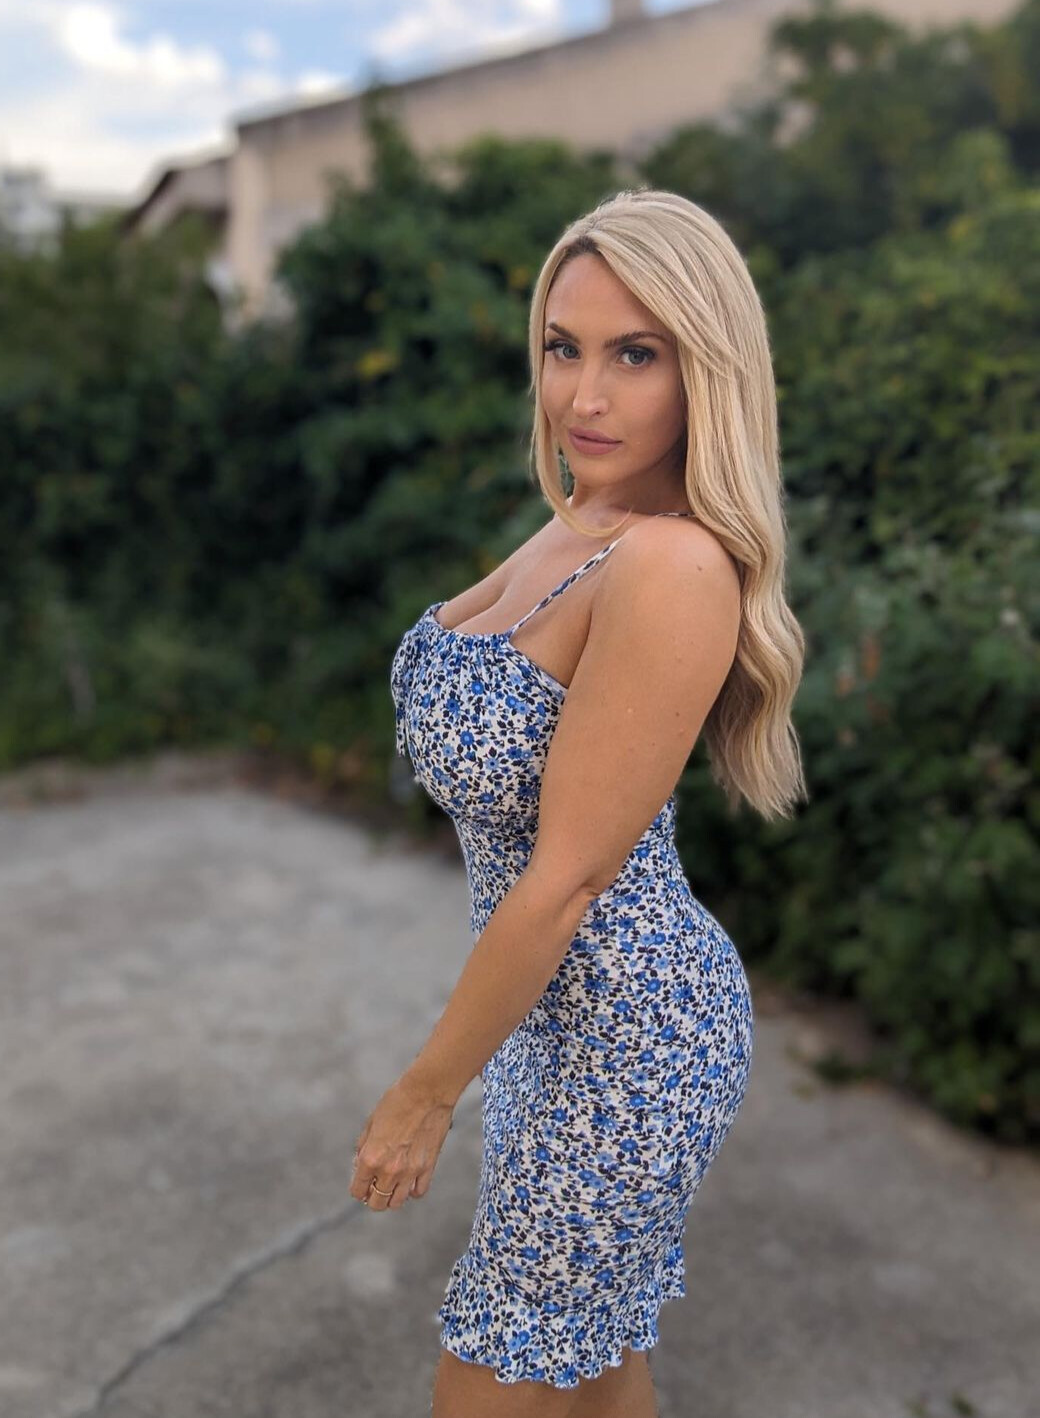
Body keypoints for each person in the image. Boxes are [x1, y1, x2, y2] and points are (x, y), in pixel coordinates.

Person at [352, 186, 807, 1418]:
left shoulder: (672, 564)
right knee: (598, 1369)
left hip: (632, 1038)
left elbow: (566, 880)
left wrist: (425, 1091)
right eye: (565, 348)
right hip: (545, 1021)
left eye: (635, 355)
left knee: (497, 1366)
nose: (584, 396)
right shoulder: (588, 519)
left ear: (705, 370)